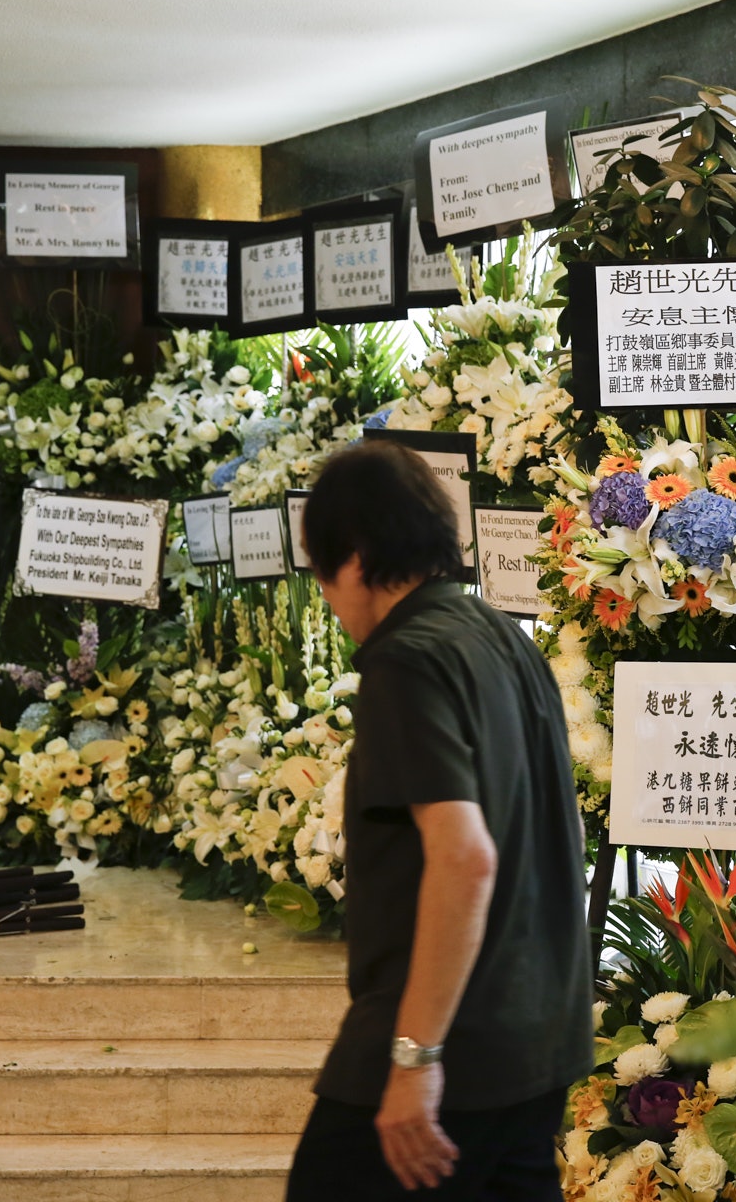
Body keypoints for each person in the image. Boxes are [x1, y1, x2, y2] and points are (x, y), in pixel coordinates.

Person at [285, 441, 592, 1200]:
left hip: (450, 1055)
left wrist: (415, 1061)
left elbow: (466, 858)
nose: (329, 598)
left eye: (321, 576)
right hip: (535, 1052)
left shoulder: (406, 660)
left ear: (352, 559)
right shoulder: (501, 640)